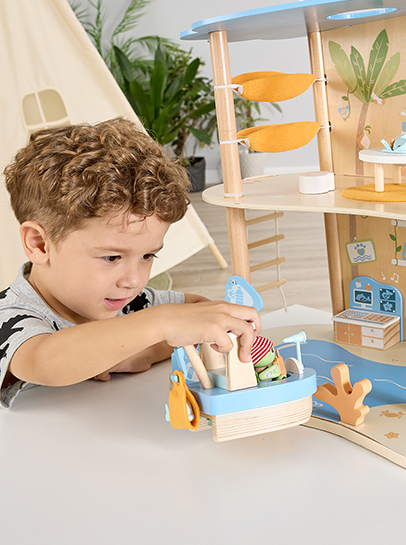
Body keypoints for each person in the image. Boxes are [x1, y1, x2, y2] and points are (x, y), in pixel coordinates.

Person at [0, 117, 261, 409]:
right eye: (112, 257)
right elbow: (44, 361)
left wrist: (145, 351)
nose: (134, 281)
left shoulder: (127, 303)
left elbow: (200, 313)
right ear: (39, 244)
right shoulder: (11, 314)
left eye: (148, 256)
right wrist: (161, 325)